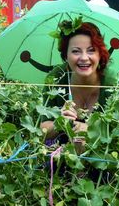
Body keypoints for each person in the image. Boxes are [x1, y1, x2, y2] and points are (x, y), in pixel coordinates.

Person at [40, 21, 112, 153]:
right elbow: (41, 131)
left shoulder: (113, 83)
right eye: (76, 51)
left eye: (91, 50)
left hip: (102, 157)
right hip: (60, 159)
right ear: (65, 55)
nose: (84, 58)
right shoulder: (56, 78)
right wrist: (59, 123)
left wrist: (91, 130)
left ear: (100, 54)